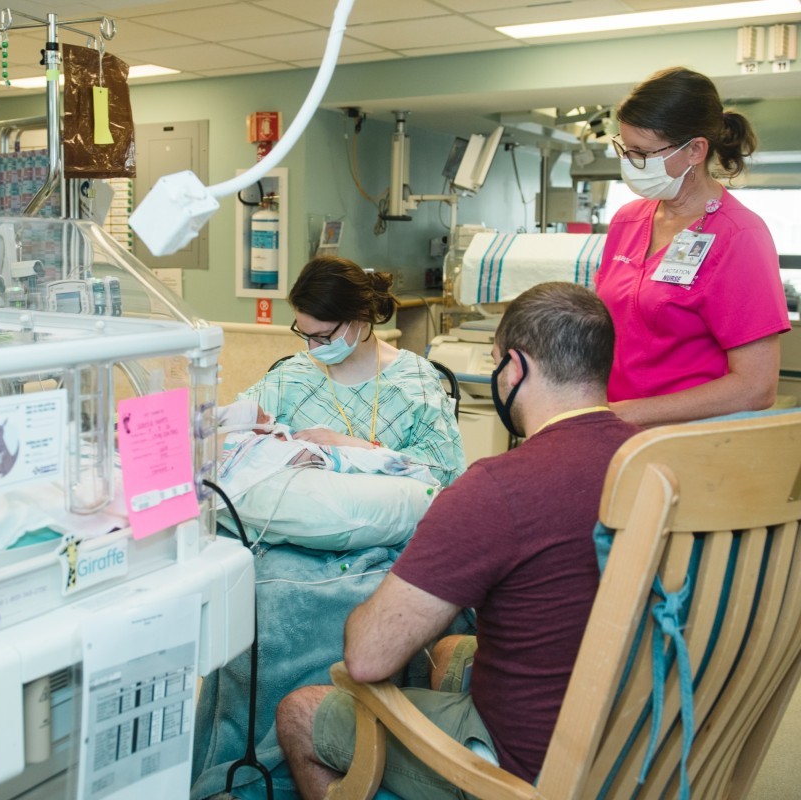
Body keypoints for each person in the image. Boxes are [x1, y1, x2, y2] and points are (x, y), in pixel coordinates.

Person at [275, 282, 641, 800]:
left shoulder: (499, 487)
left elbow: (368, 658)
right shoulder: (657, 462)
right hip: (644, 737)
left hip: (532, 770)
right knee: (447, 650)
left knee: (301, 712)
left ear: (515, 368)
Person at [596, 66, 790, 427]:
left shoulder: (740, 235)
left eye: (643, 153)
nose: (630, 164)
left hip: (689, 442)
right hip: (615, 431)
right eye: (625, 149)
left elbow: (757, 386)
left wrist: (630, 413)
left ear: (695, 150)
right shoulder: (627, 221)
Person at [239, 255, 464, 487]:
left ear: (362, 316)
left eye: (323, 337)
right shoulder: (291, 377)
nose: (312, 348)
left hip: (385, 517)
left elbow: (444, 469)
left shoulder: (414, 380)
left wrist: (355, 447)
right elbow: (235, 437)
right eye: (306, 336)